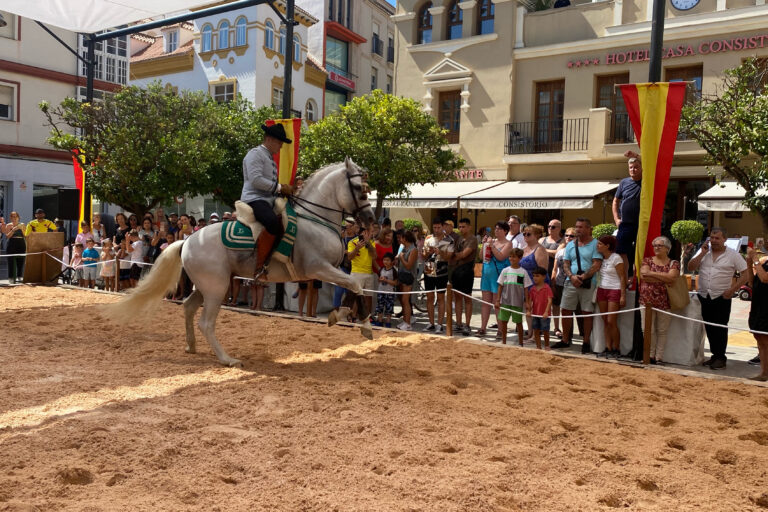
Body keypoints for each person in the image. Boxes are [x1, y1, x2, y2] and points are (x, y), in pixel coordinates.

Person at [687, 227, 748, 370]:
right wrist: (702, 253)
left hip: (722, 296)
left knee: (720, 327)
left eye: (717, 238)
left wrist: (733, 290)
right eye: (712, 238)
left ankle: (721, 357)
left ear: (724, 239)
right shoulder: (704, 252)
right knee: (709, 326)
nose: (713, 241)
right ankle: (715, 355)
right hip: (704, 295)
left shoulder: (733, 255)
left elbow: (745, 275)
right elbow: (690, 267)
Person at [240, 123, 294, 278]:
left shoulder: (268, 157)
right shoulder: (255, 154)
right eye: (279, 142)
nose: (281, 146)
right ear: (269, 139)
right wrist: (279, 188)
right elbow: (256, 180)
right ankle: (259, 266)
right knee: (272, 222)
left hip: (268, 199)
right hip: (254, 198)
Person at [556, 217, 603, 353]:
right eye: (577, 226)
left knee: (586, 312)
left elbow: (596, 264)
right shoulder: (571, 244)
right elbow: (565, 263)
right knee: (565, 310)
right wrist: (571, 276)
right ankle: (565, 339)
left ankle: (586, 341)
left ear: (589, 229)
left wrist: (583, 277)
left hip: (588, 283)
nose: (578, 229)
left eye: (581, 227)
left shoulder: (595, 244)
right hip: (571, 281)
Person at [639, 236, 680, 365]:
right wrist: (664, 277)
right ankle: (649, 355)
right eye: (654, 245)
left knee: (662, 330)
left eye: (659, 245)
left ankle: (659, 357)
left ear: (667, 248)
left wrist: (652, 274)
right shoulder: (647, 260)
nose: (656, 248)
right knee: (647, 329)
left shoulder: (674, 263)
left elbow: (672, 278)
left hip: (665, 300)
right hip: (646, 300)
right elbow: (644, 276)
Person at [479, 222, 512, 336]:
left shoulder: (508, 244)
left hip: (498, 276)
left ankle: (501, 329)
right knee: (485, 302)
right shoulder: (492, 242)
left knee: (496, 303)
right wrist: (484, 245)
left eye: (499, 229)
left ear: (505, 231)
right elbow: (481, 257)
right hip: (486, 275)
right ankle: (483, 327)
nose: (496, 231)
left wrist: (491, 246)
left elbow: (501, 256)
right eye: (496, 228)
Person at [595, 235, 627, 358]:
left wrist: (623, 295)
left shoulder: (616, 258)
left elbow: (622, 277)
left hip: (614, 289)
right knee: (605, 321)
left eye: (600, 244)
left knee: (611, 321)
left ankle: (617, 348)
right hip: (602, 289)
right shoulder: (601, 259)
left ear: (607, 246)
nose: (597, 246)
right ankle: (608, 347)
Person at [423, 218, 454, 333]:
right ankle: (431, 322)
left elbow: (449, 257)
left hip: (442, 271)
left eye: (438, 227)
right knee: (429, 297)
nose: (436, 230)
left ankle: (439, 324)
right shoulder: (428, 239)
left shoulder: (449, 240)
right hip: (429, 270)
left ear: (443, 227)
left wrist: (440, 252)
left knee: (441, 298)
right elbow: (423, 254)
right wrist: (428, 252)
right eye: (434, 228)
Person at [613, 153, 642, 275]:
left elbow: (649, 162)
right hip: (625, 224)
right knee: (620, 250)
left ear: (641, 168)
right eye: (631, 167)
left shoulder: (646, 180)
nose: (633, 169)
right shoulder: (624, 182)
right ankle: (625, 276)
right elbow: (615, 201)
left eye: (636, 167)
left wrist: (636, 155)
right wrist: (616, 219)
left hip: (641, 224)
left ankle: (636, 276)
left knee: (640, 251)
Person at [495, 248, 531, 345]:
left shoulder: (523, 272)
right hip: (505, 301)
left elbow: (526, 288)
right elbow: (500, 286)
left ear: (520, 258)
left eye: (514, 257)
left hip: (517, 302)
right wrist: (498, 300)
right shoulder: (505, 271)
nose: (511, 259)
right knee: (504, 322)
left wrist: (527, 302)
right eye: (510, 256)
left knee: (518, 322)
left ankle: (520, 343)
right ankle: (504, 342)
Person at [451, 217, 478, 336]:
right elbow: (455, 253)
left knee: (467, 298)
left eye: (464, 226)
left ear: (469, 227)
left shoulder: (472, 239)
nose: (461, 229)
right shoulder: (459, 238)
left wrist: (451, 255)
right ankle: (458, 323)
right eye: (460, 226)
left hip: (467, 270)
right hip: (456, 270)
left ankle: (467, 325)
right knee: (457, 298)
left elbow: (464, 254)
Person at [746, 245, 768, 381]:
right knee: (760, 340)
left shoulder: (760, 261)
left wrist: (754, 259)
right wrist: (749, 264)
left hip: (767, 309)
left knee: (766, 340)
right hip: (758, 307)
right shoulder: (764, 262)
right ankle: (764, 372)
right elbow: (751, 281)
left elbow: (765, 278)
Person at [551, 227, 575, 340]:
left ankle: (570, 335)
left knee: (569, 310)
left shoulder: (578, 250)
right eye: (566, 235)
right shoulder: (560, 251)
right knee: (558, 307)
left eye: (571, 236)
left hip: (572, 283)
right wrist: (553, 281)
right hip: (559, 282)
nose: (568, 238)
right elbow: (555, 269)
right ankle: (559, 330)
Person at [348, 225, 377, 316]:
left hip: (369, 273)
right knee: (356, 296)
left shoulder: (371, 242)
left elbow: (374, 256)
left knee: (369, 297)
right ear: (364, 232)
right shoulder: (352, 242)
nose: (372, 234)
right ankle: (352, 316)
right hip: (357, 273)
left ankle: (368, 317)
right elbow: (349, 257)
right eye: (370, 232)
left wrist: (368, 243)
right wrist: (357, 248)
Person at [334, 219, 358, 311]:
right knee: (339, 290)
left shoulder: (357, 238)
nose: (347, 228)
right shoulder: (341, 238)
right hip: (343, 266)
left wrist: (348, 251)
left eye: (349, 226)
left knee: (350, 291)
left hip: (354, 267)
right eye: (346, 226)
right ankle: (336, 309)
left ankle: (348, 311)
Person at [396, 230, 418, 331]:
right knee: (402, 300)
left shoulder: (413, 250)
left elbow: (409, 265)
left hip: (408, 276)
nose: (400, 240)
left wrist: (401, 257)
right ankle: (405, 321)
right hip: (401, 275)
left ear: (405, 238)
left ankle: (408, 323)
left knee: (406, 300)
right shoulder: (404, 248)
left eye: (401, 238)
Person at [528, 266, 554, 350]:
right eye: (534, 276)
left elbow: (550, 301)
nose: (535, 278)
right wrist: (529, 310)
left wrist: (546, 312)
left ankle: (547, 345)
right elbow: (529, 301)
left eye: (537, 276)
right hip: (535, 313)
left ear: (544, 277)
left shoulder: (547, 288)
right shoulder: (532, 289)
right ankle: (538, 346)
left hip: (544, 314)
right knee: (535, 329)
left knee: (545, 330)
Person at [374, 253, 398, 327]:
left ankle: (388, 322)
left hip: (389, 292)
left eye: (388, 260)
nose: (385, 262)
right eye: (384, 260)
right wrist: (380, 279)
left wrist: (386, 280)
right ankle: (380, 320)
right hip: (381, 291)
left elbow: (395, 283)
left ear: (392, 261)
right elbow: (379, 279)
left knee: (389, 308)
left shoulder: (393, 271)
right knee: (380, 307)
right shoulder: (381, 269)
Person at [2, 212, 26, 283]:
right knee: (11, 261)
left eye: (15, 216)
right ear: (11, 218)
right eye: (12, 217)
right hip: (12, 243)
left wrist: (21, 228)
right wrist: (13, 230)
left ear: (18, 217)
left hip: (21, 242)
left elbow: (25, 235)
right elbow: (7, 236)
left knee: (20, 261)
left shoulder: (22, 225)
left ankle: (19, 276)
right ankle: (11, 277)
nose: (14, 218)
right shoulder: (9, 225)